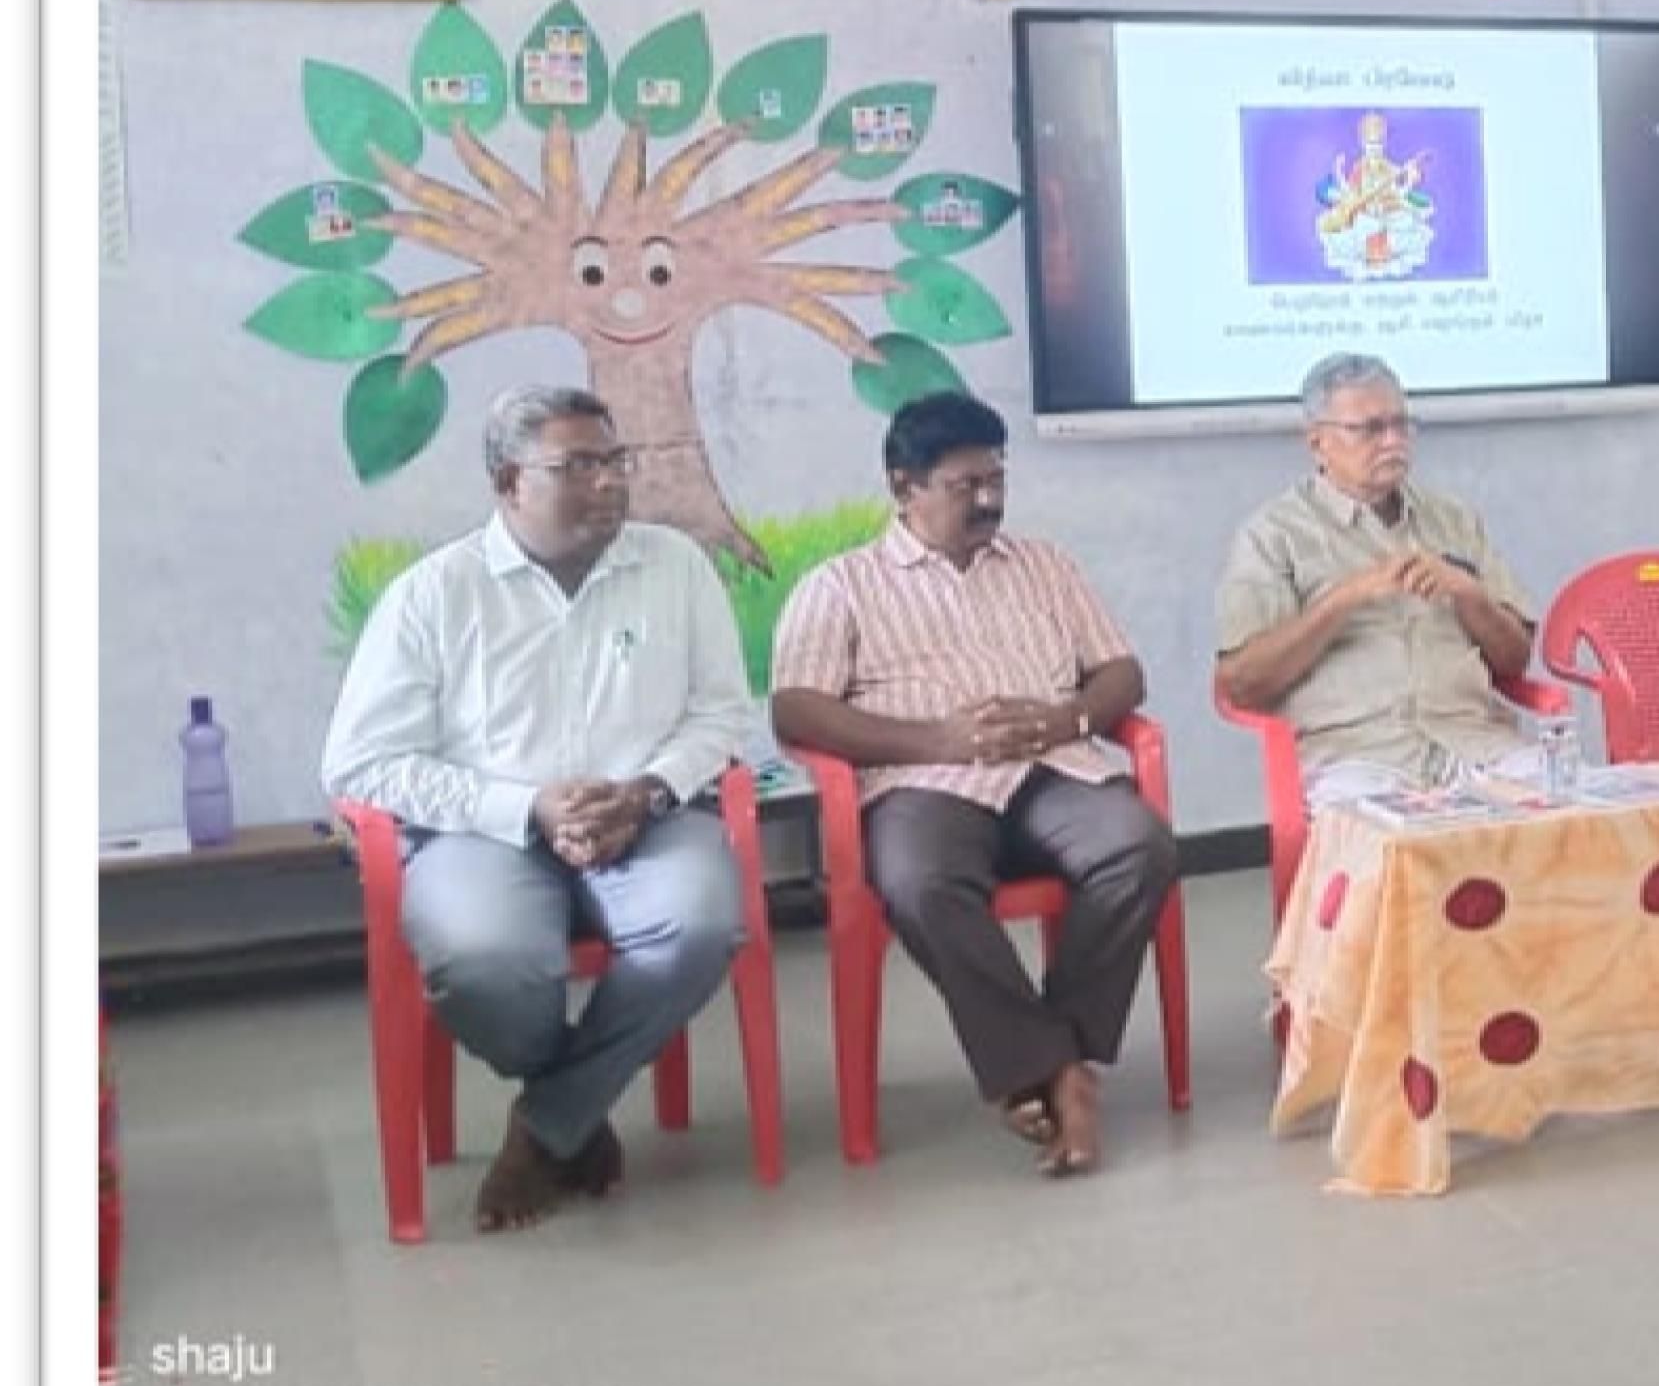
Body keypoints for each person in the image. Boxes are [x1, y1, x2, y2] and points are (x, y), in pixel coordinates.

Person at [317, 385, 754, 1234]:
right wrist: (526, 807)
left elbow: (723, 713)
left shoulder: (675, 566)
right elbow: (361, 761)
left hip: (646, 817)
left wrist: (648, 790)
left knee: (699, 926)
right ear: (509, 481)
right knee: (483, 959)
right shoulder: (435, 594)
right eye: (578, 466)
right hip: (484, 832)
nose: (610, 483)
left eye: (615, 461)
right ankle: (576, 1114)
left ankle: (545, 1122)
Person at [771, 393, 1175, 1180]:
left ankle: (1057, 1057)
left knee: (1138, 845)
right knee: (921, 880)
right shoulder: (841, 584)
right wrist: (935, 739)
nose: (989, 498)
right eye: (965, 484)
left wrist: (1068, 719)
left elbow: (1122, 671)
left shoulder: (1046, 565)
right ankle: (1059, 1070)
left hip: (1053, 766)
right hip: (922, 779)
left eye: (997, 478)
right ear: (904, 486)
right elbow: (797, 707)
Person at [1214, 353, 1540, 804]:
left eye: (1401, 424)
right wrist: (1342, 600)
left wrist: (1469, 595)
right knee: (1386, 851)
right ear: (1317, 443)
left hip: (1474, 744)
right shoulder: (1272, 535)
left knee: (1574, 812)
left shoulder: (1453, 520)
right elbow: (1242, 684)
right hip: (1356, 759)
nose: (1392, 442)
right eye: (1369, 429)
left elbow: (1515, 660)